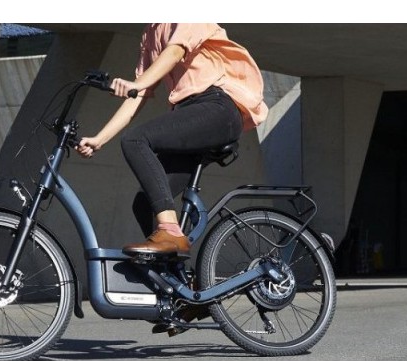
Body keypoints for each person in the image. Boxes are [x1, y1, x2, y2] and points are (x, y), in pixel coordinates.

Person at [76, 23, 268, 259]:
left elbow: (175, 51)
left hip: (217, 107)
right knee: (144, 203)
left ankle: (170, 232)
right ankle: (173, 276)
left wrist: (138, 84)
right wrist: (99, 139)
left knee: (136, 139)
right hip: (190, 113)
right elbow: (139, 94)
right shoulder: (149, 34)